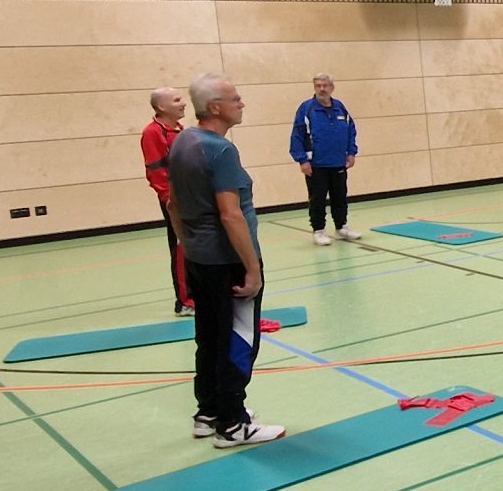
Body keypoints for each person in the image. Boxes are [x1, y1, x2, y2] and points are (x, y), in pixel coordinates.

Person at [166, 74, 285, 447]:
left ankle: (209, 412)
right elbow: (231, 215)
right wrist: (252, 268)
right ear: (215, 107)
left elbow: (173, 204)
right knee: (238, 339)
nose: (241, 103)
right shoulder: (220, 151)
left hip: (200, 260)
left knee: (209, 336)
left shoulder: (183, 141)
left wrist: (189, 244)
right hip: (228, 263)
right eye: (235, 99)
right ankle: (233, 423)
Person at [140, 87, 194, 316]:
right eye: (177, 100)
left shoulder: (180, 130)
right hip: (176, 201)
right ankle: (185, 301)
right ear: (162, 107)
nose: (183, 103)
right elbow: (156, 171)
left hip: (192, 197)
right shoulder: (153, 132)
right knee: (181, 247)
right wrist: (170, 201)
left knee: (195, 245)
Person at [289, 74, 359, 245]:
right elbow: (297, 135)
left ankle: (341, 227)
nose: (322, 89)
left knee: (340, 196)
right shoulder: (307, 109)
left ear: (332, 87)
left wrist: (351, 152)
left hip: (338, 162)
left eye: (325, 85)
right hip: (316, 164)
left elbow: (351, 130)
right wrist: (302, 160)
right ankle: (318, 230)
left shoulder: (340, 108)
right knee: (318, 199)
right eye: (318, 86)